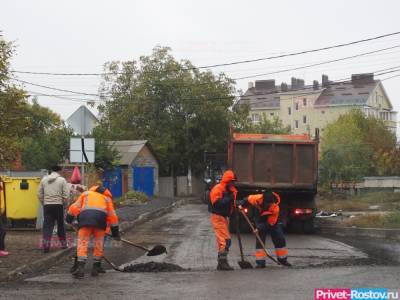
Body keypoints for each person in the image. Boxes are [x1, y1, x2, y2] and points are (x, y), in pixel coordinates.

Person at [66, 185, 120, 279]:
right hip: (100, 222)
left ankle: (80, 268)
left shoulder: (86, 194)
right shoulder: (107, 199)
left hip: (85, 220)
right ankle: (96, 267)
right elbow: (113, 217)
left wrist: (69, 219)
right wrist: (115, 233)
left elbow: (74, 207)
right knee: (98, 244)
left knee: (82, 243)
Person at [238, 191, 291, 268]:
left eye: (270, 203)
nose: (268, 205)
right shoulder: (257, 199)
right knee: (260, 239)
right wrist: (240, 204)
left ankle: (282, 260)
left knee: (279, 238)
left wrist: (258, 228)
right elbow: (247, 199)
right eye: (267, 203)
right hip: (259, 219)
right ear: (264, 200)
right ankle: (260, 262)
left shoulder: (275, 208)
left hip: (272, 222)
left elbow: (270, 223)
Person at [208, 170, 237, 271]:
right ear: (227, 180)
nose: (233, 183)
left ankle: (221, 263)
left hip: (223, 217)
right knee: (225, 241)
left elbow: (229, 203)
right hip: (218, 217)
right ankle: (222, 263)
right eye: (232, 181)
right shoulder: (218, 189)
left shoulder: (228, 190)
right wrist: (229, 198)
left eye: (234, 181)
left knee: (223, 241)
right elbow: (216, 203)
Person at [38, 165, 69, 253]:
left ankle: (46, 246)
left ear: (51, 170)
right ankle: (63, 244)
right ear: (60, 170)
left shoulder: (44, 179)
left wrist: (43, 202)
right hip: (58, 205)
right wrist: (65, 205)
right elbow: (66, 195)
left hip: (47, 205)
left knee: (47, 226)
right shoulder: (62, 180)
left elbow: (39, 193)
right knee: (60, 225)